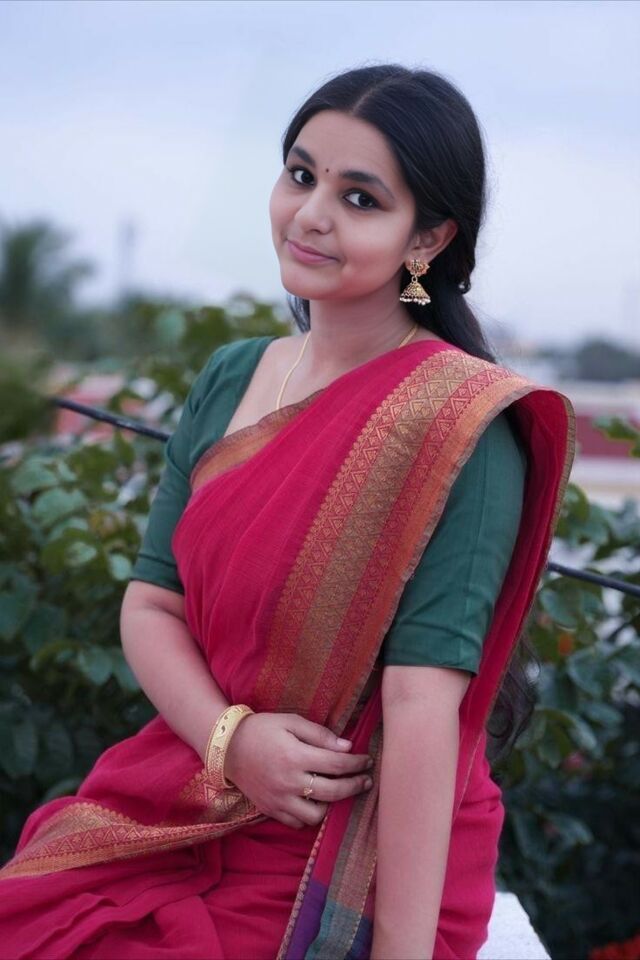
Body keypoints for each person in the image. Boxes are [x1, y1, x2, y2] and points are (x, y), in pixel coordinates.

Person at [0, 64, 575, 960]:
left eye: (359, 198)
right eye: (301, 175)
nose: (310, 214)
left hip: (352, 847)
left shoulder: (461, 428)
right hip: (191, 789)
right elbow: (152, 603)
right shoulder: (232, 376)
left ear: (428, 237)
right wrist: (232, 743)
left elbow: (421, 708)